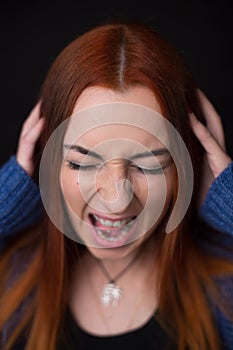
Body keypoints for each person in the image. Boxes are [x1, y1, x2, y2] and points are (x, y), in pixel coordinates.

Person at [0, 20, 233, 350]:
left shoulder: (224, 288)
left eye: (147, 164)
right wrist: (9, 199)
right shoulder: (9, 282)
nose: (117, 200)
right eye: (82, 162)